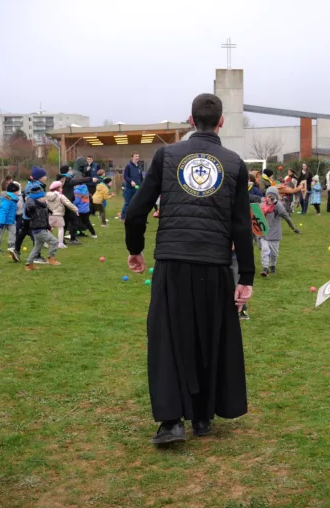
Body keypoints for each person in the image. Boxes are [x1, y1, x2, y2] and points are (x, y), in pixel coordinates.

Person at [124, 93, 255, 444]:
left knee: (169, 338)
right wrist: (245, 277)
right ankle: (201, 417)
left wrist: (135, 249)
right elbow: (243, 225)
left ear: (190, 119)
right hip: (214, 266)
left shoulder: (167, 156)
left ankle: (173, 421)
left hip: (173, 262)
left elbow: (136, 210)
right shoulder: (235, 164)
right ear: (222, 122)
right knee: (207, 337)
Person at [259, 185, 300, 276]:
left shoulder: (278, 206)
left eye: (272, 196)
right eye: (268, 196)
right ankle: (265, 268)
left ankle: (272, 265)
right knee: (264, 251)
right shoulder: (261, 205)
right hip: (264, 234)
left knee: (274, 253)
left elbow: (287, 217)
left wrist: (293, 228)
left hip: (274, 234)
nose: (269, 198)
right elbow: (255, 217)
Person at [12, 167, 48, 263]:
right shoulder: (36, 186)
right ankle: (36, 256)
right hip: (34, 214)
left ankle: (16, 250)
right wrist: (43, 199)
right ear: (38, 177)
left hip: (27, 214)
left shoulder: (32, 184)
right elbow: (33, 198)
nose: (46, 177)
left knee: (24, 232)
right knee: (36, 234)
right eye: (44, 176)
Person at [24, 184, 61, 270]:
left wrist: (48, 227)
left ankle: (28, 264)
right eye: (42, 197)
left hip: (41, 229)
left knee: (37, 248)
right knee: (55, 242)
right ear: (37, 198)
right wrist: (31, 198)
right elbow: (30, 205)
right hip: (39, 230)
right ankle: (51, 258)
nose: (44, 198)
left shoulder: (43, 207)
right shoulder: (33, 205)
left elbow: (44, 219)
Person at [46, 180, 78, 248]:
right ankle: (60, 243)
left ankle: (45, 242)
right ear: (57, 188)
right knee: (60, 228)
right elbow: (68, 203)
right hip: (58, 214)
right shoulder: (60, 196)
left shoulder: (47, 195)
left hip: (50, 214)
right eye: (60, 187)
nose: (62, 189)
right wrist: (76, 209)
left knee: (48, 229)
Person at [0, 182, 20, 254]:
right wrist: (1, 222)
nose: (18, 192)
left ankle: (11, 246)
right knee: (0, 234)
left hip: (11, 220)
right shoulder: (7, 200)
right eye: (17, 191)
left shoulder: (13, 199)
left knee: (13, 232)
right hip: (3, 220)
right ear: (13, 191)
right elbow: (4, 211)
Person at [120, 152, 144, 221]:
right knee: (127, 203)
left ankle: (135, 216)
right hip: (129, 189)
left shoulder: (139, 167)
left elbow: (141, 178)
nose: (137, 158)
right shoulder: (128, 166)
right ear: (132, 157)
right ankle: (123, 217)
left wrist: (142, 185)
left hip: (137, 189)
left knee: (137, 203)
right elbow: (125, 177)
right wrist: (131, 181)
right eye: (136, 156)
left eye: (138, 156)